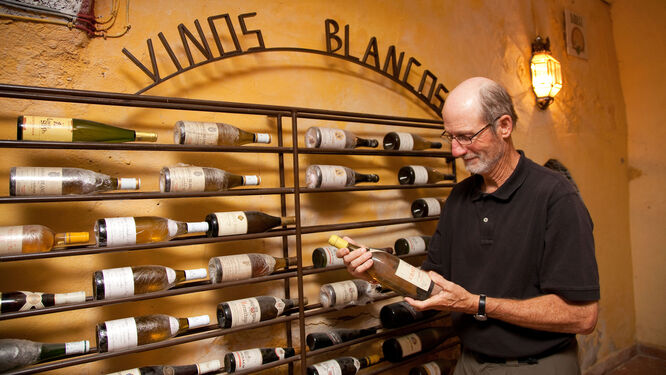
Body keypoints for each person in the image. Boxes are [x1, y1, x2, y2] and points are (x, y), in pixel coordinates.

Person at [337, 77, 600, 374]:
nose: (456, 151)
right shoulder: (459, 197)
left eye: (466, 137)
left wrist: (477, 304)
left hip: (537, 365)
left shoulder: (556, 197)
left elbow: (582, 316)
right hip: (469, 362)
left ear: (504, 126)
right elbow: (431, 282)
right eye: (450, 137)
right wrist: (374, 270)